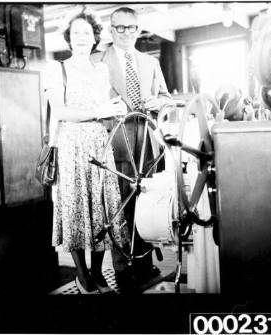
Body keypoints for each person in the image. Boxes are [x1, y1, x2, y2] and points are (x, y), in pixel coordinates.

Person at [43, 10, 129, 294]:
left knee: (102, 208)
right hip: (71, 145)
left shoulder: (101, 69)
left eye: (87, 33)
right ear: (69, 38)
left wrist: (115, 111)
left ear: (95, 38)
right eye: (76, 33)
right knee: (77, 209)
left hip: (99, 141)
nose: (81, 37)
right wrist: (99, 110)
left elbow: (103, 110)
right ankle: (82, 275)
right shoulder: (57, 69)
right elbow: (62, 112)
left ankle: (97, 272)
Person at [91, 6, 172, 292]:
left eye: (131, 27)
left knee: (145, 202)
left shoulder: (149, 62)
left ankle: (145, 265)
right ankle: (123, 270)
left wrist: (159, 103)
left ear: (138, 30)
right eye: (120, 27)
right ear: (111, 30)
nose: (126, 33)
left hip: (146, 139)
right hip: (115, 138)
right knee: (120, 204)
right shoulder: (97, 61)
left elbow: (166, 98)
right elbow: (89, 103)